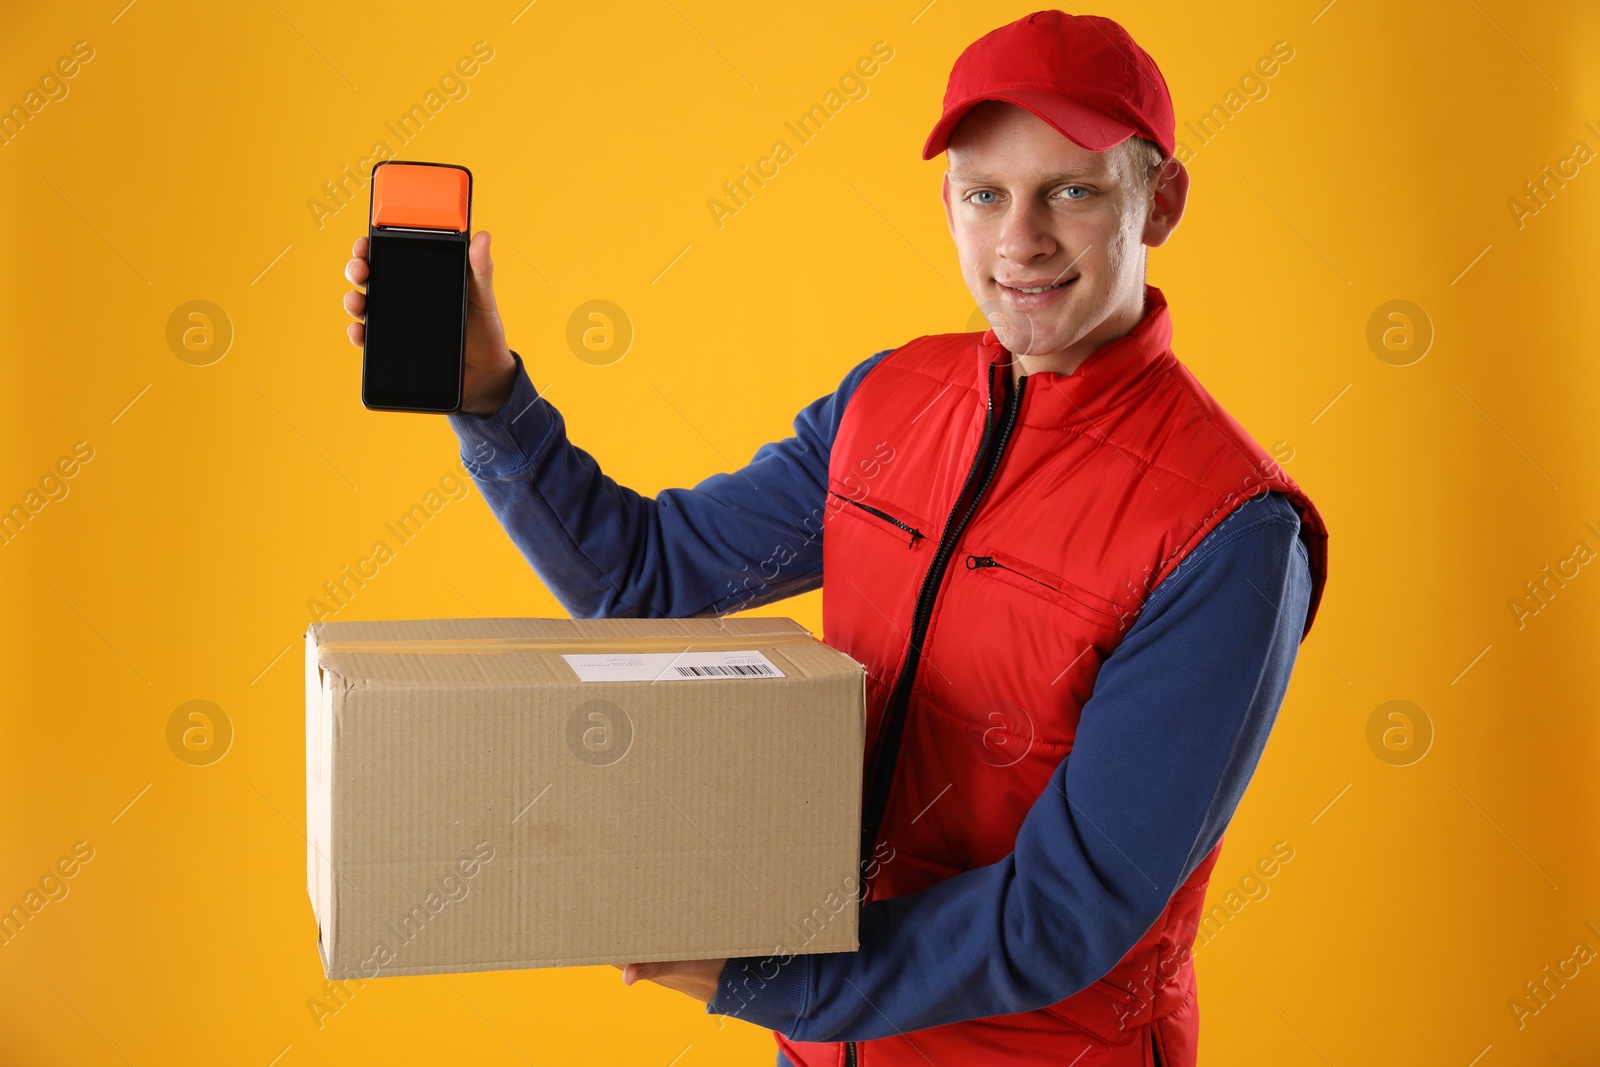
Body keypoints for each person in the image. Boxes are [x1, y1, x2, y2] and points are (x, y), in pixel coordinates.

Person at [341, 10, 1329, 1066]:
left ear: (1160, 200)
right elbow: (646, 577)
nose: (1019, 241)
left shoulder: (1228, 530)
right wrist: (488, 398)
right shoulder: (888, 404)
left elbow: (1070, 905)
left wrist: (768, 977)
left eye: (1071, 192)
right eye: (983, 193)